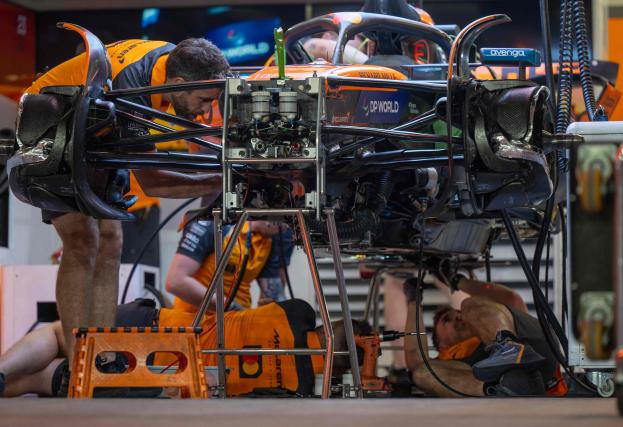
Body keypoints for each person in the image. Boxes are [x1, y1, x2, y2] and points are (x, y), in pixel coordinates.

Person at [24, 38, 230, 362]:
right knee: (82, 239)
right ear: (178, 84)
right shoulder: (135, 87)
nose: (206, 112)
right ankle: (81, 365)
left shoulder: (177, 61)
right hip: (53, 121)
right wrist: (226, 178)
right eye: (204, 100)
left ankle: (104, 358)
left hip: (95, 124)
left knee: (110, 239)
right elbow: (154, 182)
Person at [0, 298, 370, 397]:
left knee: (59, 334)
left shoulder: (299, 312)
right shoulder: (306, 388)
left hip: (160, 326)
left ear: (332, 325)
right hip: (160, 381)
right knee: (42, 380)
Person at [403, 275, 568, 397]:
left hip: (536, 354)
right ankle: (505, 388)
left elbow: (511, 298)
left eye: (457, 314)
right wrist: (413, 302)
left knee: (468, 303)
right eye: (447, 320)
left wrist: (458, 281)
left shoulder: (487, 318)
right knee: (421, 373)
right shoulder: (448, 363)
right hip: (519, 388)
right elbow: (415, 358)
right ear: (442, 345)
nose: (457, 317)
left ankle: (508, 347)